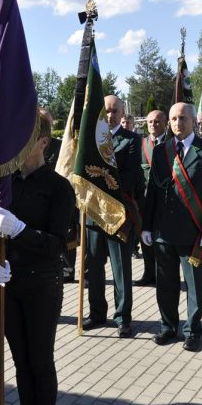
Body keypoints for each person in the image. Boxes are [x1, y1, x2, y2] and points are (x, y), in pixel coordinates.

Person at [0, 115, 75, 405]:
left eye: (23, 138)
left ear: (43, 143)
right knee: (20, 360)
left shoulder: (58, 188)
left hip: (41, 285)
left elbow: (57, 245)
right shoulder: (4, 183)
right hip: (5, 284)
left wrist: (20, 230)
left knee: (40, 361)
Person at [142, 102, 202, 352]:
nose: (178, 123)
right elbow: (153, 192)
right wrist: (147, 226)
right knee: (165, 283)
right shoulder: (161, 151)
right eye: (174, 119)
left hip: (194, 233)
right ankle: (168, 327)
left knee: (193, 285)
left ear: (193, 121)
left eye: (183, 118)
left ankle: (192, 331)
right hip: (163, 231)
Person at [82, 95, 141, 338]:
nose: (110, 115)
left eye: (115, 110)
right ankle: (96, 313)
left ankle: (123, 317)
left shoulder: (132, 140)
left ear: (121, 113)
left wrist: (105, 186)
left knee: (121, 268)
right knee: (93, 266)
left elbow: (131, 175)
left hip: (118, 213)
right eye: (106, 110)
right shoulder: (90, 138)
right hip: (94, 213)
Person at [39, 108, 77, 283]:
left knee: (67, 233)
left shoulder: (60, 146)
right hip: (40, 195)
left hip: (58, 193)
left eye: (47, 122)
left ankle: (68, 269)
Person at [134, 109, 167, 287]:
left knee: (164, 241)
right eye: (150, 122)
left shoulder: (171, 144)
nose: (153, 125)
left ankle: (165, 274)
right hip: (145, 201)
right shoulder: (141, 144)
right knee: (146, 239)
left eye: (157, 122)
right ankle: (149, 273)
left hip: (166, 202)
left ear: (165, 124)